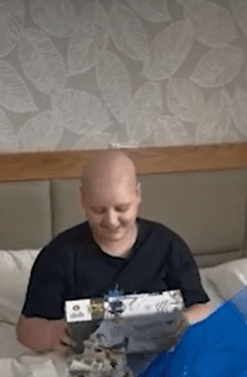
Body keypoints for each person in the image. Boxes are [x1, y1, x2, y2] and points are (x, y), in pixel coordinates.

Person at [16, 151, 210, 359]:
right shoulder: (59, 255)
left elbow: (201, 307)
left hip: (162, 358)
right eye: (98, 210)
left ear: (137, 194)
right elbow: (25, 329)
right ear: (82, 200)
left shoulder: (168, 245)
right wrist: (51, 334)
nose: (111, 221)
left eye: (122, 208)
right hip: (92, 361)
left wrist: (185, 321)